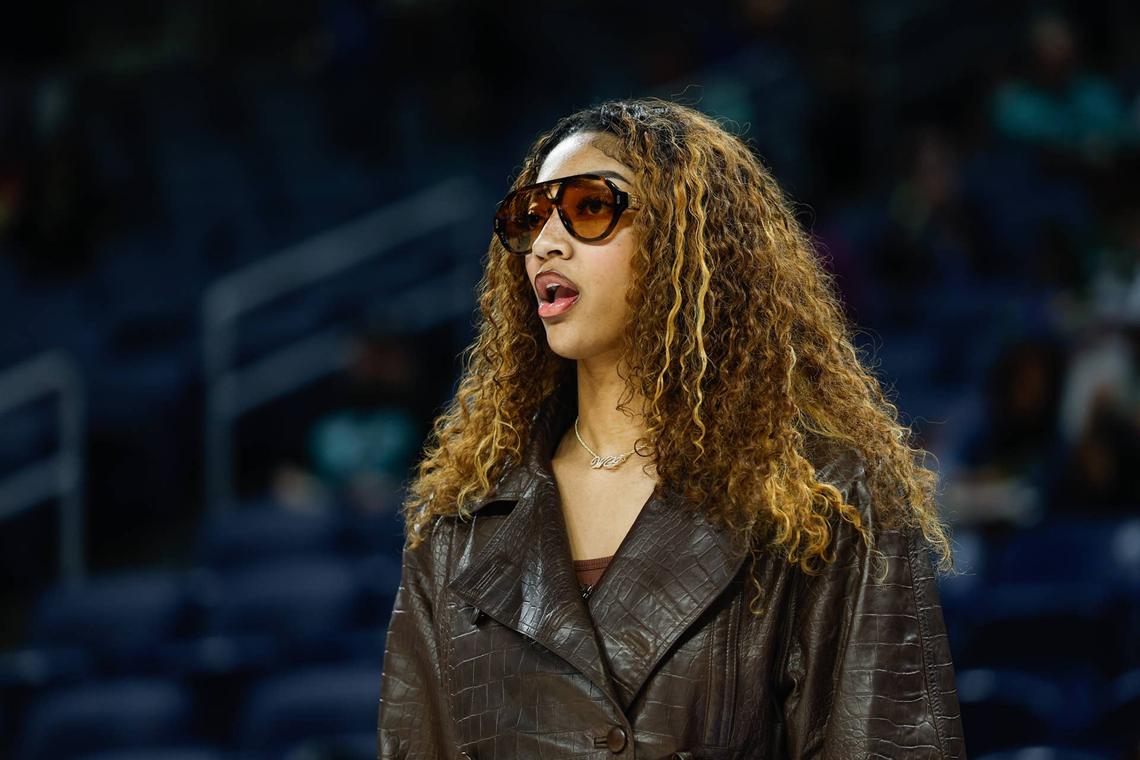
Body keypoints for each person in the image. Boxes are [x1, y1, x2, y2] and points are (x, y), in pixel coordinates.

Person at [377, 98, 965, 758]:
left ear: (687, 238)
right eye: (529, 217)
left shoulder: (829, 497)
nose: (545, 241)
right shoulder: (456, 522)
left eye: (589, 208)